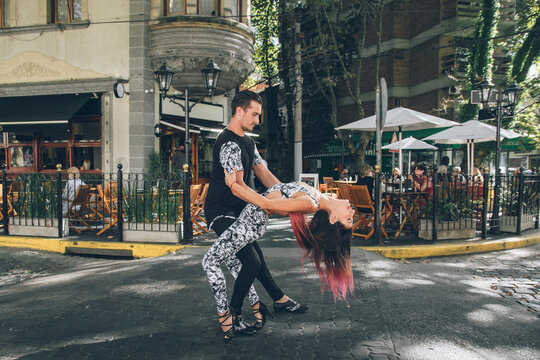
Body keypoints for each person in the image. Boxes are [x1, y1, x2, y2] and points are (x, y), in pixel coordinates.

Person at [203, 90, 307, 340]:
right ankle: (234, 315)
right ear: (239, 111)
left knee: (256, 258)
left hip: (241, 212)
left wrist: (287, 195)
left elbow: (264, 175)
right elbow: (236, 185)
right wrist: (266, 203)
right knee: (251, 262)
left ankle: (279, 299)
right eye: (254, 114)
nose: (257, 120)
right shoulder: (228, 143)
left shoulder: (248, 142)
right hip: (221, 212)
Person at [203, 170, 354, 341]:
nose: (352, 214)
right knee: (250, 263)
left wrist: (234, 186)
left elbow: (265, 204)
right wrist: (254, 163)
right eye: (352, 219)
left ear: (333, 218)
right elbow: (276, 186)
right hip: (245, 221)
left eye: (349, 220)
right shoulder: (315, 195)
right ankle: (255, 308)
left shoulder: (310, 204)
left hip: (250, 225)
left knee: (227, 262)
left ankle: (232, 314)